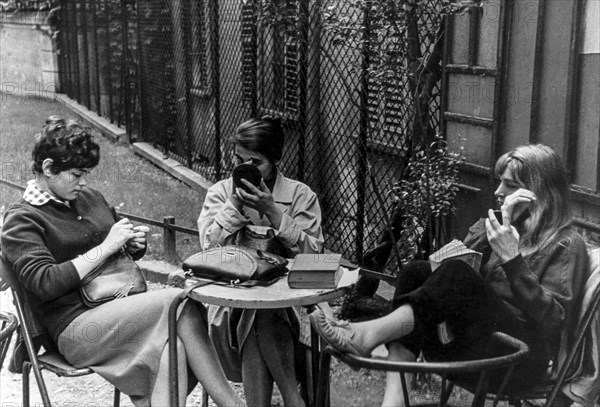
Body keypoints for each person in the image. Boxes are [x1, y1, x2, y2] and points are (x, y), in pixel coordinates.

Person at [310, 144, 590, 406]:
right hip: (478, 345)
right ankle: (393, 402)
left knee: (458, 274)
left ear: (539, 194)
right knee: (415, 271)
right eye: (501, 181)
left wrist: (512, 259)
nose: (499, 191)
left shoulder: (566, 244)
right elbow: (443, 267)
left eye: (511, 185)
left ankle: (367, 336)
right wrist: (499, 223)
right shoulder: (505, 226)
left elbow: (554, 321)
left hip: (521, 360)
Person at [0, 116, 244, 407]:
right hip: (75, 329)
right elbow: (45, 283)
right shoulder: (22, 219)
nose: (84, 182)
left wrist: (132, 245)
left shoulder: (88, 197)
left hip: (121, 310)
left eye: (87, 173)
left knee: (175, 347)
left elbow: (116, 243)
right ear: (49, 168)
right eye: (76, 174)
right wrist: (106, 247)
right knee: (181, 303)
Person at [177, 117, 324, 407]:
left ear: (275, 160)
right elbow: (207, 247)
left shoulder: (299, 196)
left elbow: (316, 259)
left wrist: (274, 212)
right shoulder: (221, 193)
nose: (247, 170)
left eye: (256, 163)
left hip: (288, 315)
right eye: (239, 161)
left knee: (264, 313)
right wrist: (234, 206)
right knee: (257, 314)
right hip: (228, 317)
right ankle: (295, 401)